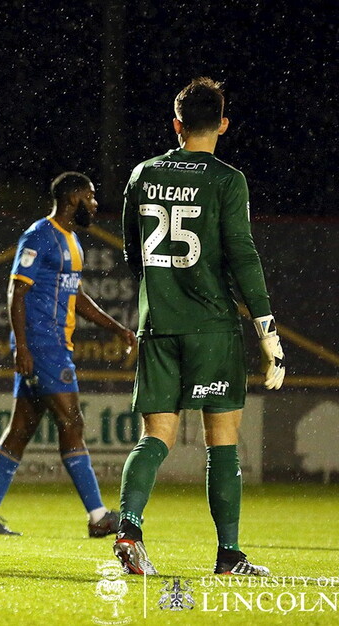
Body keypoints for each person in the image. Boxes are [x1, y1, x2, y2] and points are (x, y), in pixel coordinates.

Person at [114, 77, 285, 576]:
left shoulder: (143, 173)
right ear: (223, 124)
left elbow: (132, 253)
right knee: (222, 439)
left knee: (155, 436)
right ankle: (229, 554)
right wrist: (267, 329)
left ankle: (129, 531)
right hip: (211, 326)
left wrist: (163, 293)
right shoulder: (228, 179)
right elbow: (242, 255)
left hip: (158, 324)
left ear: (177, 124)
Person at [0, 172, 137, 537]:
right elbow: (16, 291)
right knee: (72, 422)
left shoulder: (72, 241)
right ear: (73, 198)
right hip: (43, 345)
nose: (95, 204)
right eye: (90, 197)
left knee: (20, 431)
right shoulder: (39, 235)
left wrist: (118, 329)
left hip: (52, 345)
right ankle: (98, 516)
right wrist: (23, 347)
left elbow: (77, 298)